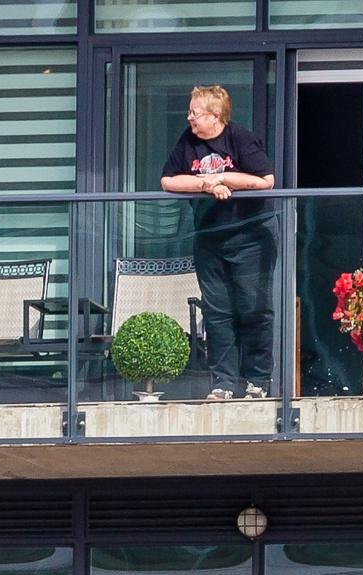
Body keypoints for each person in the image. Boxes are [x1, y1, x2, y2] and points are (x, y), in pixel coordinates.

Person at [160, 84, 279, 400]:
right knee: (217, 311)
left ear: (215, 115)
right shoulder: (188, 142)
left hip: (252, 237)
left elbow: (265, 181)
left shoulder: (240, 139)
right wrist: (205, 184)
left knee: (254, 308)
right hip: (210, 238)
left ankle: (258, 382)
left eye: (194, 113)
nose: (189, 119)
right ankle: (223, 384)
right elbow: (168, 180)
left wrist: (223, 178)